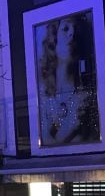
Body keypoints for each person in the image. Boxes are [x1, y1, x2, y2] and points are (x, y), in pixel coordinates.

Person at [37, 13, 100, 145]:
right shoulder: (43, 95)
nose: (72, 34)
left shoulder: (89, 96)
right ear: (54, 39)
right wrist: (68, 130)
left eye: (77, 31)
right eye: (66, 29)